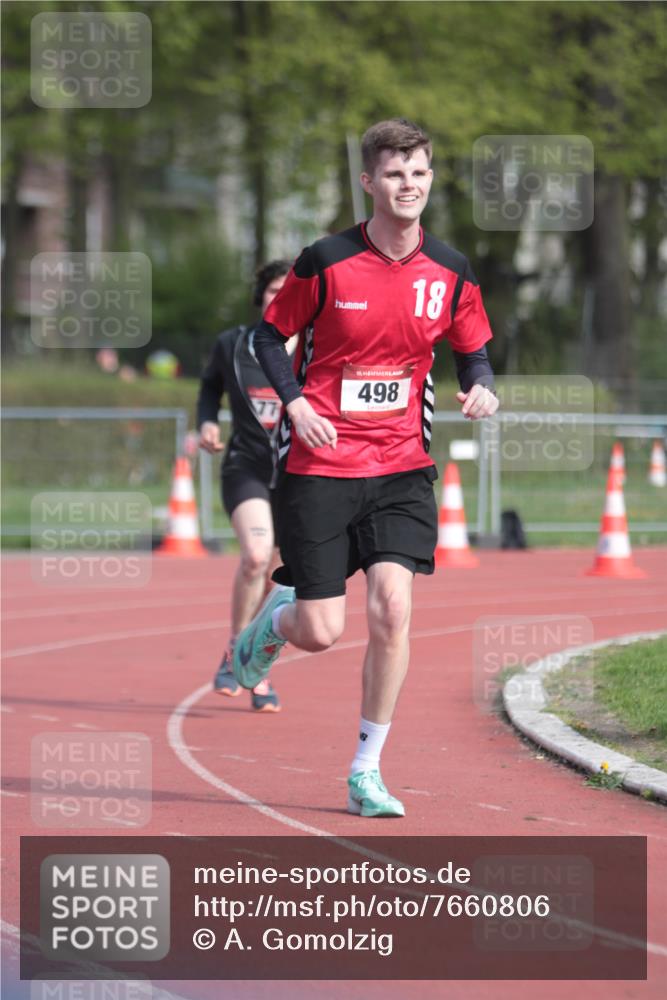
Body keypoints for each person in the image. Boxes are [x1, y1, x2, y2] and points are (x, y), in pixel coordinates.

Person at [232, 119, 499, 813]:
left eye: (419, 172)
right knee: (321, 632)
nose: (408, 185)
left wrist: (481, 385)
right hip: (322, 463)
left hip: (401, 465)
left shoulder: (450, 269)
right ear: (369, 181)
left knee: (391, 609)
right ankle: (274, 624)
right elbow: (268, 336)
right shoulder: (325, 261)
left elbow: (471, 348)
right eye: (394, 174)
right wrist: (294, 404)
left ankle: (365, 771)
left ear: (430, 178)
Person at [197, 259, 297, 712]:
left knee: (278, 574)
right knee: (256, 555)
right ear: (261, 296)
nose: (280, 298)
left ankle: (256, 662)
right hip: (247, 468)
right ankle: (235, 645)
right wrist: (206, 424)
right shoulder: (233, 344)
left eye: (289, 291)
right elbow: (208, 389)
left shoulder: (315, 346)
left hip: (297, 476)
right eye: (274, 290)